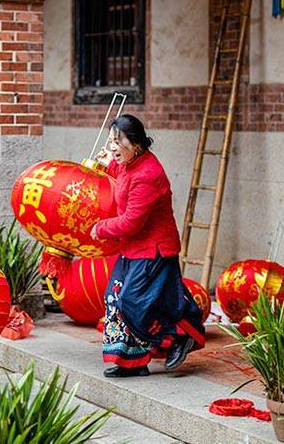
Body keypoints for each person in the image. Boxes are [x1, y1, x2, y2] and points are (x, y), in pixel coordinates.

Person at [90, 114, 205, 378]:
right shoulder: (131, 164)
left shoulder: (149, 174)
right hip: (132, 249)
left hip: (153, 251)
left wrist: (101, 228)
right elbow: (120, 170)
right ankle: (132, 362)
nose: (112, 148)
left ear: (137, 145)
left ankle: (179, 335)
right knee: (114, 299)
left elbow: (131, 222)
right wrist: (108, 163)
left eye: (118, 142)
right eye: (111, 142)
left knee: (133, 303)